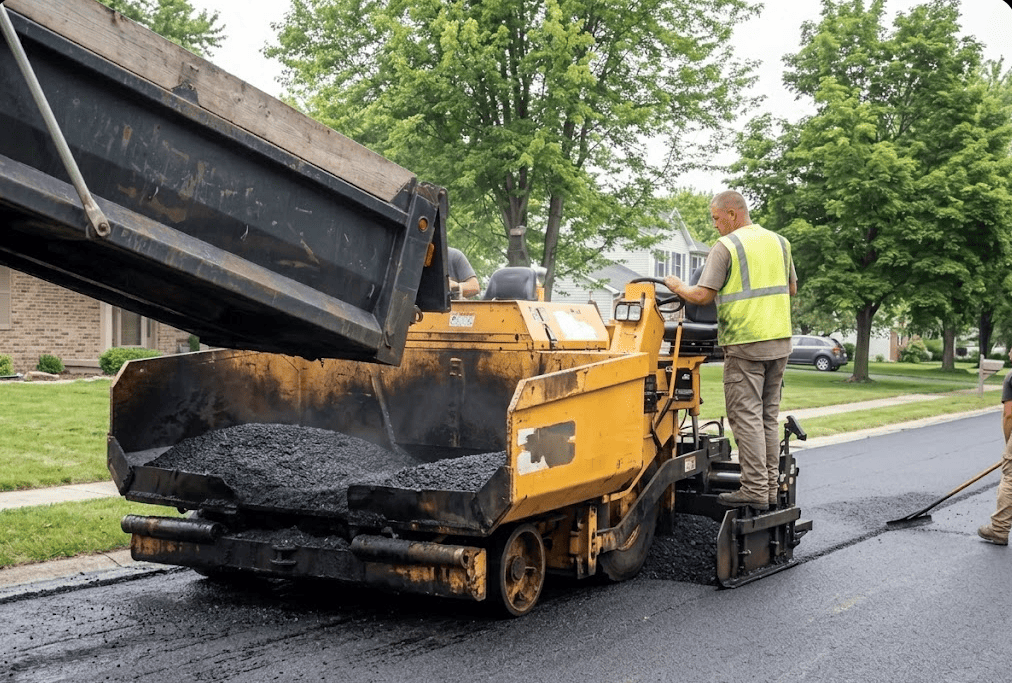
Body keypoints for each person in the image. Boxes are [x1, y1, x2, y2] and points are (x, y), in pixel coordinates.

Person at [664, 190, 797, 511]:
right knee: (766, 417)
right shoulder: (780, 242)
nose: (714, 225)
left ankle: (753, 489)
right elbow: (791, 288)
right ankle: (765, 490)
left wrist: (676, 286)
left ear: (733, 215)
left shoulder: (727, 247)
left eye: (715, 217)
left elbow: (702, 295)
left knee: (745, 416)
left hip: (745, 344)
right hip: (779, 342)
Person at [978, 347, 1012, 546]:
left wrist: (1009, 444)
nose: (1009, 351)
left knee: (1010, 480)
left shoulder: (1011, 377)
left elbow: (1009, 415)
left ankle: (999, 529)